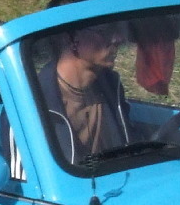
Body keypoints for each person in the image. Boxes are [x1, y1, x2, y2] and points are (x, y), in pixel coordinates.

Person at [37, 17, 134, 164]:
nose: (118, 39)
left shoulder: (112, 87)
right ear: (70, 37)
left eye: (118, 29)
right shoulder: (33, 104)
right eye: (106, 31)